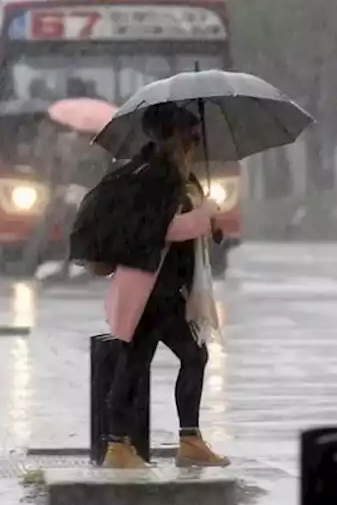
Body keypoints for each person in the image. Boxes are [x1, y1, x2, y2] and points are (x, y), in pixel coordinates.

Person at [71, 103, 228, 469]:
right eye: (191, 137)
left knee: (137, 362)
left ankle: (124, 445)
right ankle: (172, 442)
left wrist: (210, 221)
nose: (196, 145)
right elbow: (163, 230)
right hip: (151, 288)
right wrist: (202, 218)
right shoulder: (153, 177)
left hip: (162, 286)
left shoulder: (175, 176)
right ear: (172, 137)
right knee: (186, 357)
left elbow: (181, 223)